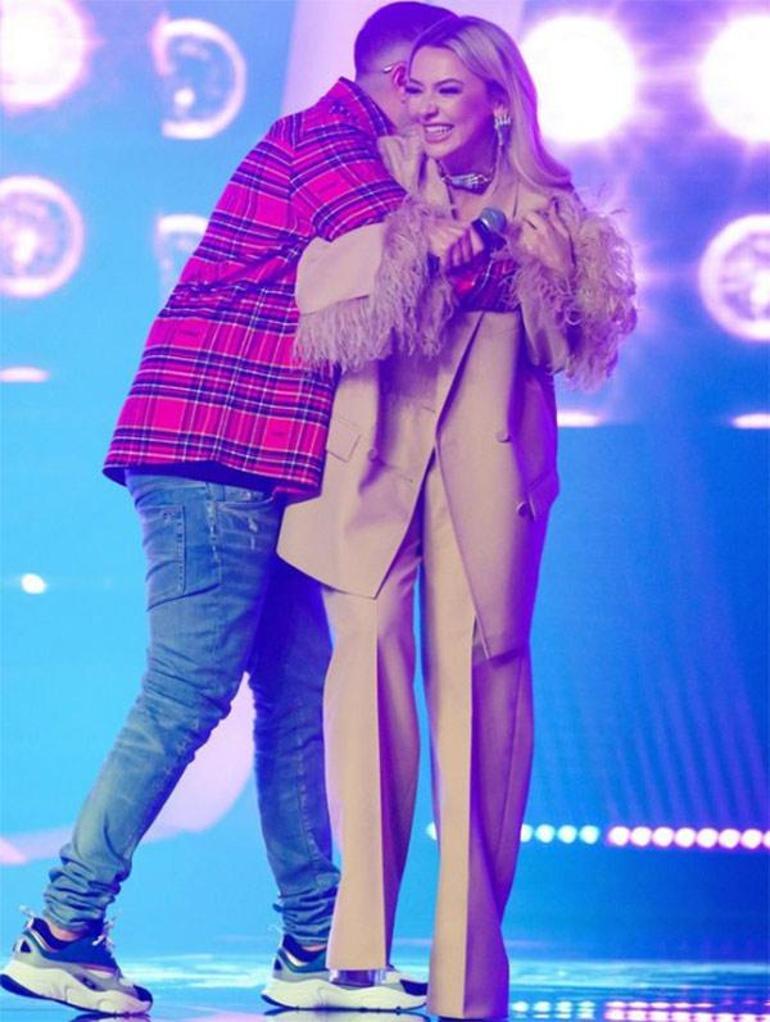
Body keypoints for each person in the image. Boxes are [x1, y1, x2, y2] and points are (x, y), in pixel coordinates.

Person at [0, 4, 456, 1015]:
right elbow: (425, 254)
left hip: (271, 463)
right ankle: (62, 928)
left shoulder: (363, 150)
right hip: (213, 448)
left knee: (295, 699)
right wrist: (523, 220)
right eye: (432, 88)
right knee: (187, 692)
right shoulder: (331, 142)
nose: (441, 110)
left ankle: (316, 950)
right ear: (395, 77)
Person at [278, 13, 637, 1019]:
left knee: (479, 692)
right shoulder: (377, 179)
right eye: (416, 88)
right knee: (366, 669)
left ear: (498, 101)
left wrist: (542, 264)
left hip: (487, 468)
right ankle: (355, 954)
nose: (426, 107)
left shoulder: (549, 206)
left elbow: (572, 349)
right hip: (372, 460)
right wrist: (422, 247)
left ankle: (468, 972)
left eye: (448, 90)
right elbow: (319, 300)